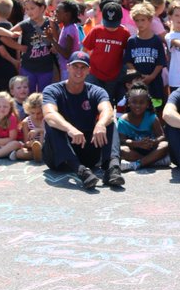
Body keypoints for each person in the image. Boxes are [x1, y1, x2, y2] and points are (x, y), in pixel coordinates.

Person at [42, 51, 121, 188]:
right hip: (59, 155)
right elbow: (49, 114)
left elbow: (108, 110)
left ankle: (113, 168)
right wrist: (70, 129)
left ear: (88, 70)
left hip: (86, 149)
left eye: (83, 67)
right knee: (52, 124)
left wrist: (101, 124)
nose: (79, 71)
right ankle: (80, 171)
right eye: (75, 66)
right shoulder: (52, 90)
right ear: (68, 67)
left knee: (109, 122)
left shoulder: (96, 91)